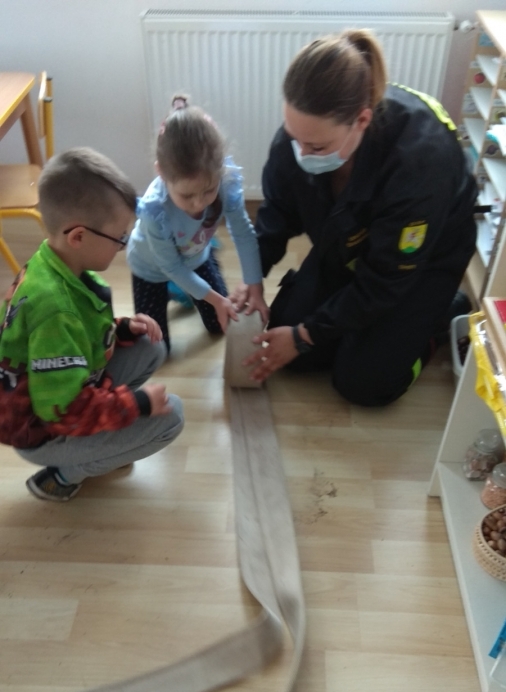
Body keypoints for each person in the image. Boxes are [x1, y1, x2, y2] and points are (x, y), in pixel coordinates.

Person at [238, 30, 477, 406]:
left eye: (317, 146)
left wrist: (305, 335)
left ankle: (442, 315)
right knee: (293, 353)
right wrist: (253, 276)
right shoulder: (303, 133)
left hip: (419, 263)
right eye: (293, 136)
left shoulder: (420, 164)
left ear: (362, 121)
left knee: (364, 385)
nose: (300, 153)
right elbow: (278, 212)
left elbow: (385, 278)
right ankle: (362, 334)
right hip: (351, 241)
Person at [0, 147, 184, 501]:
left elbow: (77, 331)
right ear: (78, 237)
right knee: (171, 417)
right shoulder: (54, 310)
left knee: (151, 345)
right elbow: (63, 412)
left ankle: (99, 445)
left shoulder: (56, 263)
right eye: (119, 238)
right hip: (45, 431)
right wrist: (136, 405)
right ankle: (60, 476)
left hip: (63, 387)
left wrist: (121, 329)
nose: (122, 246)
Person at [127, 95, 269, 351]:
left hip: (194, 258)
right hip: (150, 269)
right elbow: (170, 265)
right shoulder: (154, 210)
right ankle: (178, 287)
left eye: (208, 190)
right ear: (161, 173)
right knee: (157, 349)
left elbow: (244, 234)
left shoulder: (226, 182)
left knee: (219, 324)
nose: (199, 203)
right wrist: (214, 297)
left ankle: (193, 274)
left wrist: (255, 286)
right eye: (187, 195)